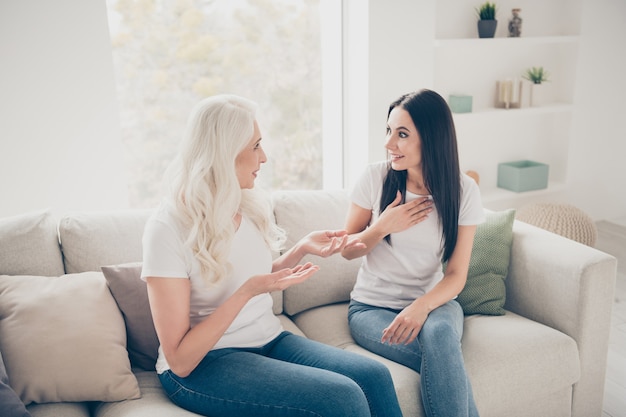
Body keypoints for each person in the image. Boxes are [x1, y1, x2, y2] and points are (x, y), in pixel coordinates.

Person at [140, 94, 403, 417]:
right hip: (205, 364)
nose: (263, 158)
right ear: (225, 153)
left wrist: (302, 247)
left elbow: (254, 276)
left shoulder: (243, 205)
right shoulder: (167, 228)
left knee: (373, 376)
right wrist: (247, 292)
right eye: (255, 146)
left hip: (268, 339)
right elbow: (180, 359)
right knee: (341, 397)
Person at [342, 89, 485, 417]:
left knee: (441, 335)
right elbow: (346, 252)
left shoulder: (463, 192)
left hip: (435, 303)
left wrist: (420, 307)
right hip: (371, 309)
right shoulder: (375, 178)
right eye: (389, 131)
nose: (389, 143)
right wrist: (382, 226)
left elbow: (456, 274)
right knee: (444, 361)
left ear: (432, 139)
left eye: (402, 134)